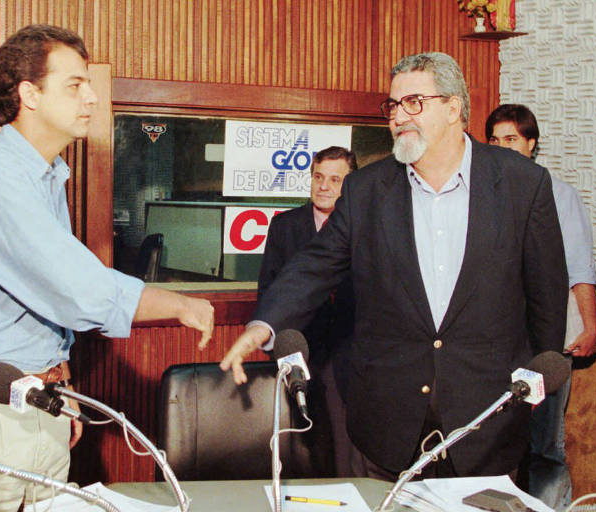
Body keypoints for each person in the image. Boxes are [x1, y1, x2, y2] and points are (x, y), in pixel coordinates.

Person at [0, 25, 214, 512]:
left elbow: (36, 306)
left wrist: (55, 385)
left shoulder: (44, 175)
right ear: (29, 95)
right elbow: (74, 288)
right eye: (74, 85)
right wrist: (177, 304)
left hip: (30, 396)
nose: (92, 97)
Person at [221, 52, 568, 480]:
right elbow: (313, 265)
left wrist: (535, 387)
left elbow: (547, 295)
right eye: (393, 105)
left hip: (488, 424)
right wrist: (264, 325)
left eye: (413, 103)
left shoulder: (523, 184)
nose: (398, 117)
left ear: (453, 108)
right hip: (387, 426)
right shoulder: (366, 189)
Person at [486, 104, 596, 511]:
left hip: (544, 342)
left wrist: (589, 326)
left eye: (511, 139)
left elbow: (579, 265)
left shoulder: (558, 193)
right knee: (497, 440)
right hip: (496, 341)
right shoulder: (480, 193)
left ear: (531, 144)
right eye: (494, 140)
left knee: (544, 443)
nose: (502, 147)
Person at [258, 145, 356, 476]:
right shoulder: (284, 226)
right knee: (298, 451)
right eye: (318, 177)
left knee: (343, 451)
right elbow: (268, 291)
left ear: (350, 185)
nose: (323, 186)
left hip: (348, 358)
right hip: (299, 354)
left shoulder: (363, 227)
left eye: (334, 180)